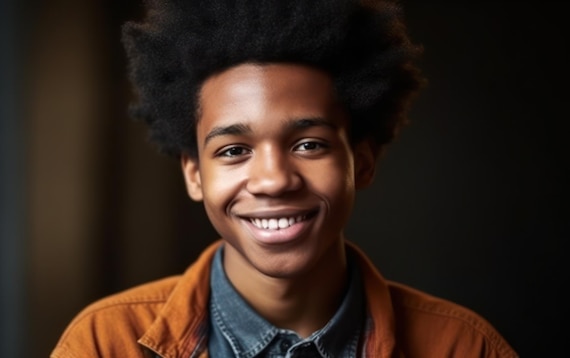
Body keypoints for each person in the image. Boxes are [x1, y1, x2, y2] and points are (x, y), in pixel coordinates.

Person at [51, 0, 518, 357]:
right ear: (194, 175)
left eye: (309, 144)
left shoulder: (463, 346)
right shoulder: (107, 343)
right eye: (234, 151)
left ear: (363, 160)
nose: (273, 180)